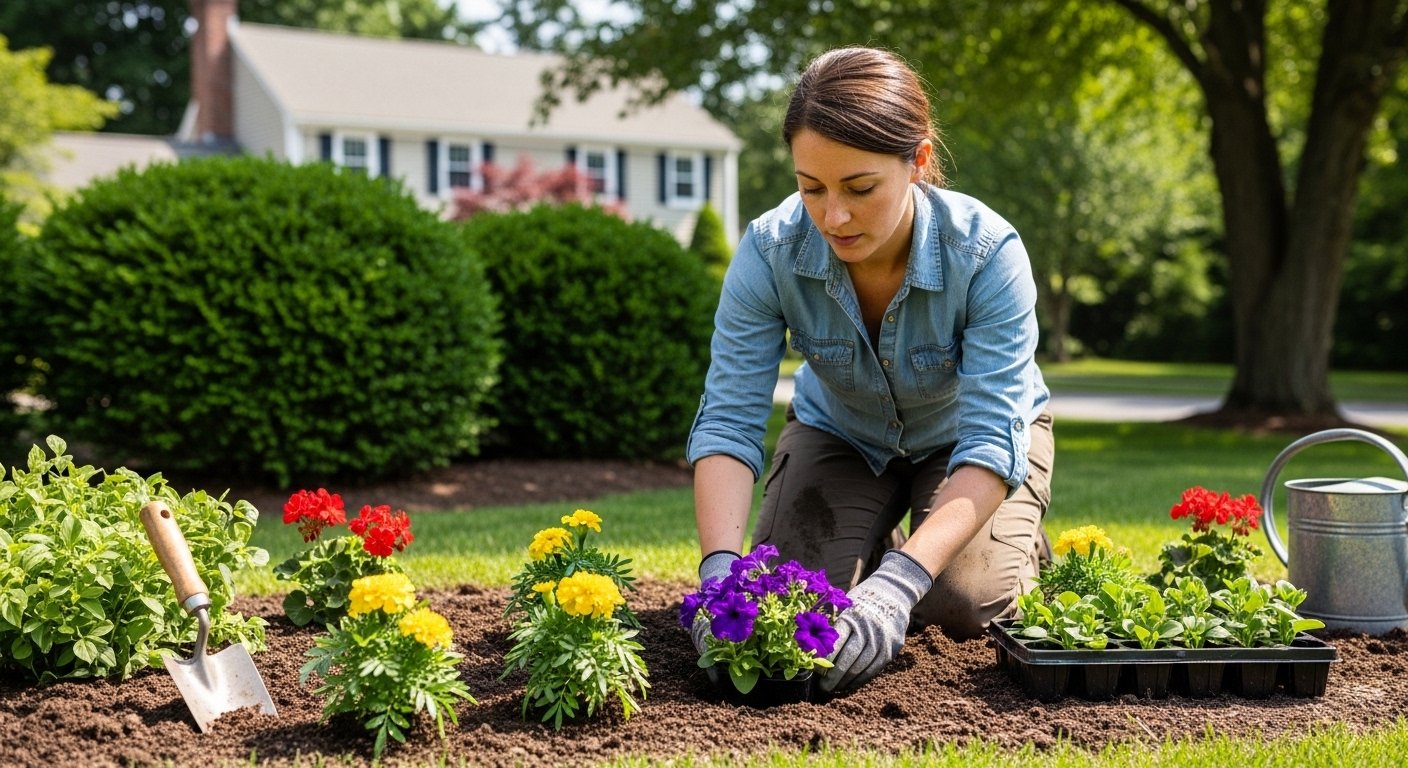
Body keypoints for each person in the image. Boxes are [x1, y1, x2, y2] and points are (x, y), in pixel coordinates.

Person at [685, 46, 1054, 693]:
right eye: (811, 189)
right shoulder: (770, 251)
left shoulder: (987, 252)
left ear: (917, 161)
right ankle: (875, 547)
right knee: (794, 600)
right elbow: (728, 419)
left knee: (960, 607)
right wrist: (719, 572)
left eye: (859, 188)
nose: (833, 216)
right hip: (842, 433)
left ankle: (994, 546)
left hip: (965, 446)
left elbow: (993, 439)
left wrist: (900, 586)